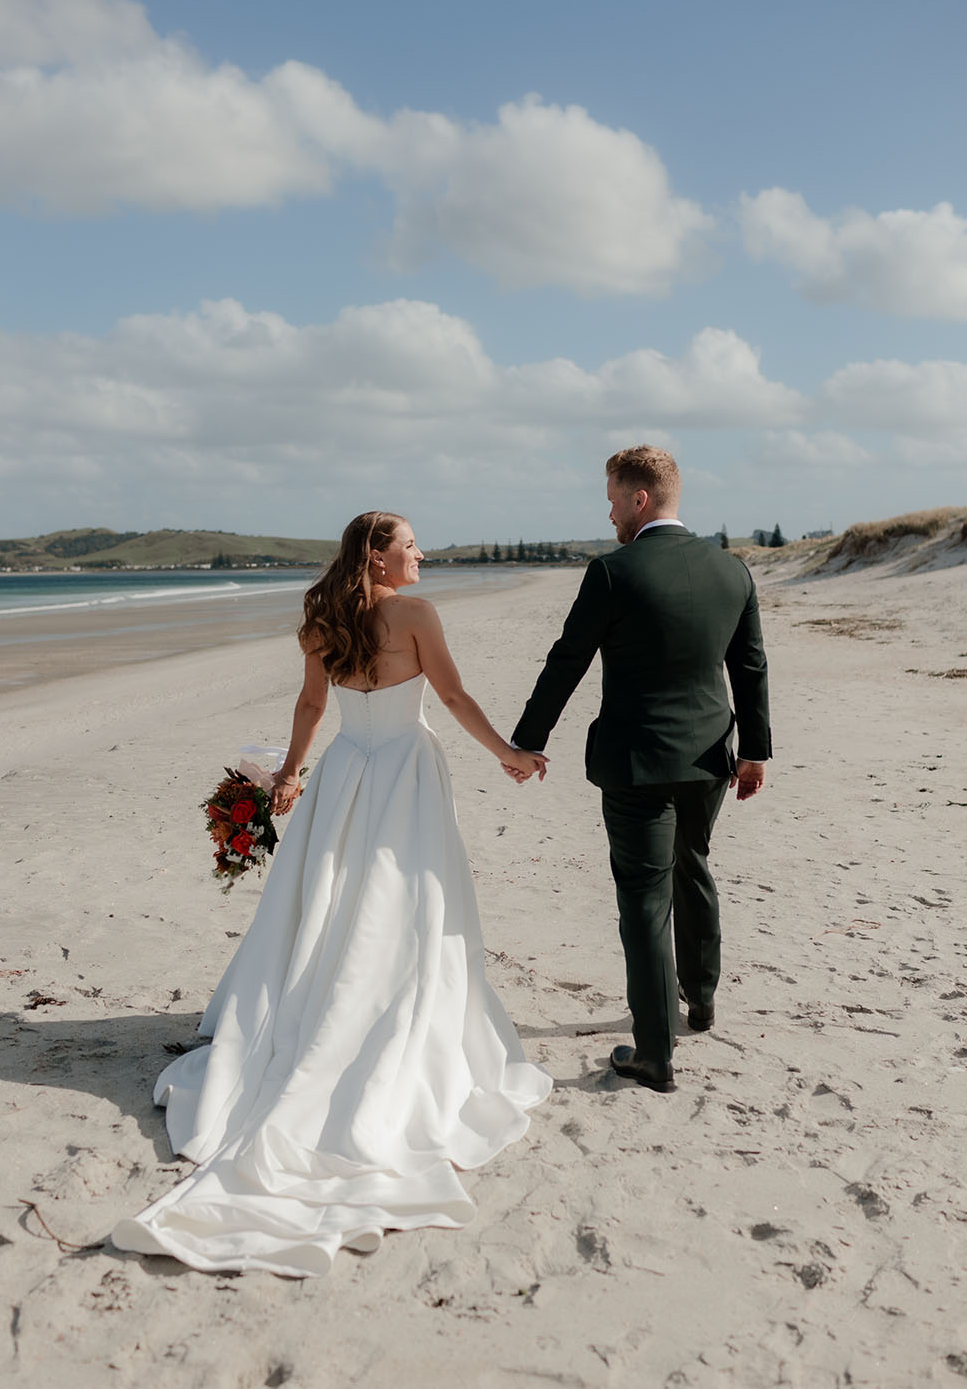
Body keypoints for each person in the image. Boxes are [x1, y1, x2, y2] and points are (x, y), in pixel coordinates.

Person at [112, 511, 551, 1276]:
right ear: (378, 558)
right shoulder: (415, 614)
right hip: (406, 769)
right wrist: (508, 753)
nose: (422, 554)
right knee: (403, 898)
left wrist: (290, 774)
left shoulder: (322, 615)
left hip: (347, 767)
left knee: (332, 896)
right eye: (410, 545)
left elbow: (312, 707)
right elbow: (449, 697)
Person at [511, 447, 771, 1094]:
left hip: (636, 765)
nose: (607, 512)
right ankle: (701, 1003)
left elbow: (566, 660)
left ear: (640, 500)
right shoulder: (731, 572)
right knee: (694, 866)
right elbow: (751, 668)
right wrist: (755, 751)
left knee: (644, 902)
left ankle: (654, 1054)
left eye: (612, 498)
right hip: (711, 757)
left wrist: (528, 740)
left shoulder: (612, 573)